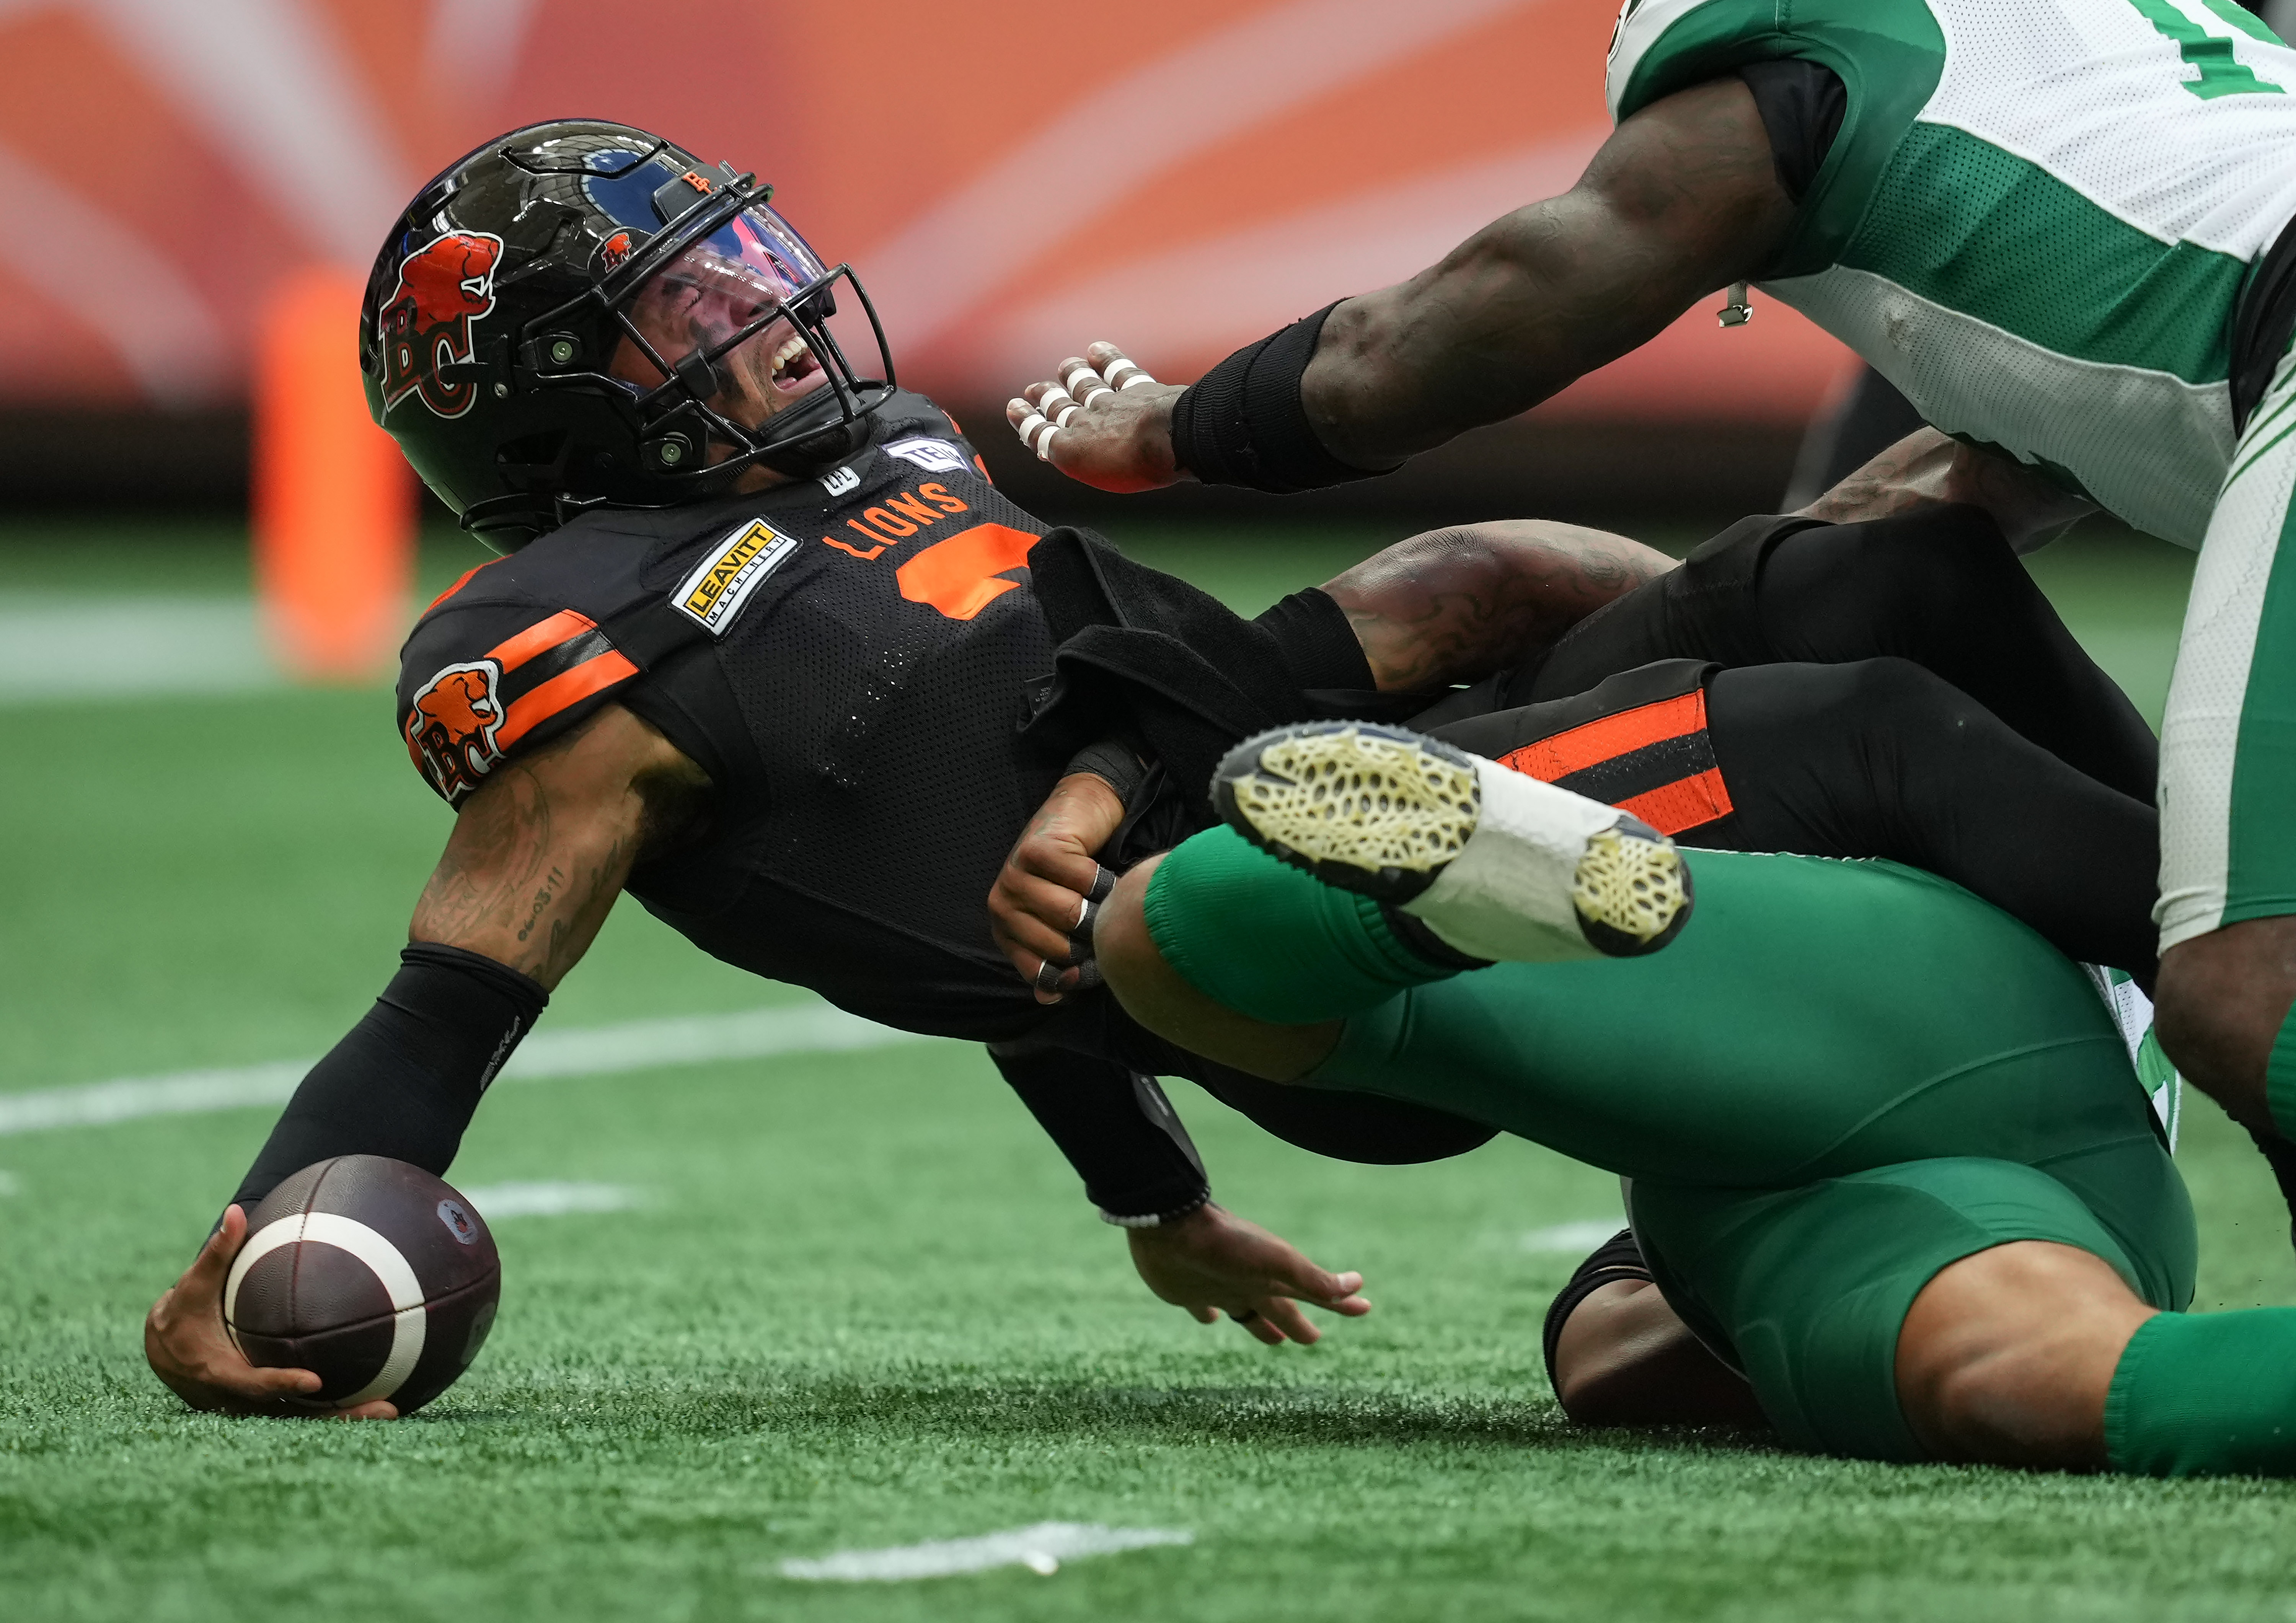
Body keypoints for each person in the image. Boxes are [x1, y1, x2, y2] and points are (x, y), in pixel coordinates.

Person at [140, 117, 2157, 1416]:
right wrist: (255, 1245)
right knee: (1856, 735)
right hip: (1260, 897)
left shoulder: (884, 456)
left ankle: (2201, 906)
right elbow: (460, 996)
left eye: (745, 268)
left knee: (1886, 576)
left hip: (1287, 761)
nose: (762, 316)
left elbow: (969, 799)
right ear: (552, 409)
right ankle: (2242, 965)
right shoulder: (593, 644)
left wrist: (1146, 1195)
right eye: (686, 306)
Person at [1009, 0, 2296, 1199]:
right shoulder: (2112, 67)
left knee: (2245, 981)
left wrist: (1184, 424)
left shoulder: (1801, 48)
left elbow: (1451, 331)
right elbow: (1979, 471)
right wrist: (1720, 601)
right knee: (2215, 920)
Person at [1086, 719, 2289, 1477]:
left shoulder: (1689, 1289)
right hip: (1995, 1111)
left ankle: (1428, 900)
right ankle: (1428, 900)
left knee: (1158, 943)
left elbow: (1614, 1350)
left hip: (1942, 1078)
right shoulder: (1699, 1292)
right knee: (2013, 1372)